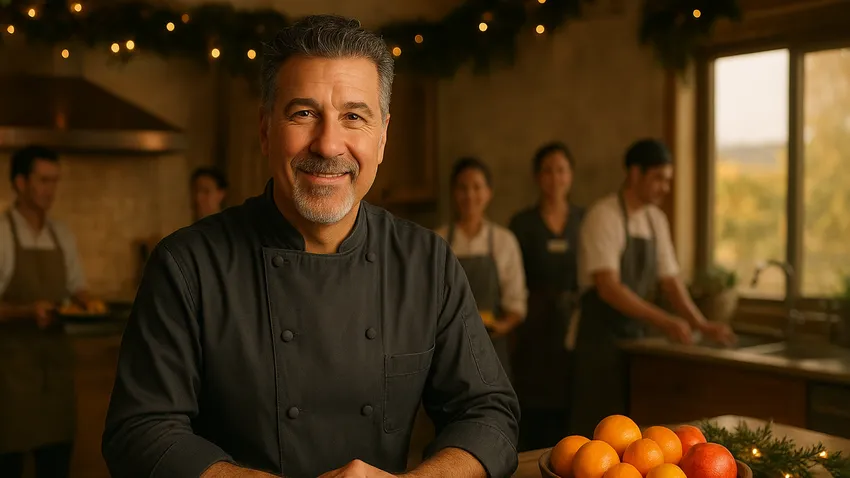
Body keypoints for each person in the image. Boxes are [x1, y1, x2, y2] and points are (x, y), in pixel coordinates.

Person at [102, 15, 519, 478]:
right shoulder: (188, 265)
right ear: (265, 130)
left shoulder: (427, 262)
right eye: (303, 114)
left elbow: (489, 415)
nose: (327, 144)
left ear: (382, 138)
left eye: (354, 117)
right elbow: (140, 433)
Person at [569, 138, 737, 437]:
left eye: (668, 180)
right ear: (634, 174)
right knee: (596, 433)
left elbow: (671, 280)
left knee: (633, 433)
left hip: (637, 340)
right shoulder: (603, 216)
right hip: (600, 340)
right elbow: (608, 287)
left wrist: (701, 324)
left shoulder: (656, 220)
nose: (665, 187)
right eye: (658, 178)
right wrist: (665, 320)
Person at [0, 145, 100, 478]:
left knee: (56, 463)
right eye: (43, 181)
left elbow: (77, 288)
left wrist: (89, 304)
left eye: (55, 181)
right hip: (10, 377)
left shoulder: (62, 234)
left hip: (56, 373)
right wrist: (27, 311)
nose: (50, 190)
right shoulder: (1, 233)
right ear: (19, 182)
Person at [508, 142, 584, 451]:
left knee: (572, 405)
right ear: (537, 177)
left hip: (575, 325)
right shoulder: (522, 223)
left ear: (571, 176)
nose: (555, 177)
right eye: (548, 170)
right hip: (534, 326)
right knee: (534, 405)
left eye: (562, 170)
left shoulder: (584, 219)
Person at [435, 157, 527, 379]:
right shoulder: (438, 240)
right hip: (448, 349)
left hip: (492, 348)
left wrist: (501, 326)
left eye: (477, 187)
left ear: (488, 192)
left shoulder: (504, 240)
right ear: (453, 193)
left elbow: (516, 302)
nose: (469, 195)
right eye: (462, 188)